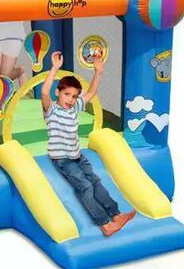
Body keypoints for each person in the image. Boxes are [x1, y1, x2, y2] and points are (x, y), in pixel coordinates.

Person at [41, 51, 136, 237]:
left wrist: (98, 72)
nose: (70, 99)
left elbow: (91, 92)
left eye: (74, 96)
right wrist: (54, 68)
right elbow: (44, 92)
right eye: (66, 94)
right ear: (57, 93)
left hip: (78, 156)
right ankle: (105, 225)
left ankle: (116, 215)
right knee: (85, 186)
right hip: (62, 159)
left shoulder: (75, 107)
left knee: (95, 182)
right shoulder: (51, 109)